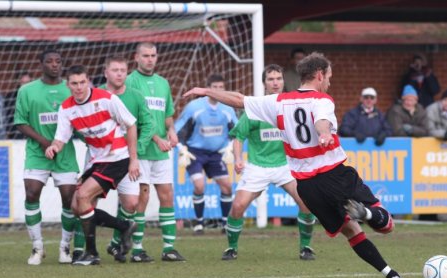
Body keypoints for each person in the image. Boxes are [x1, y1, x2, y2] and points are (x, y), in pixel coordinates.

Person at [184, 52, 403, 278]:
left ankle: (391, 275)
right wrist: (324, 133)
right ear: (319, 75)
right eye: (329, 76)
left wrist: (207, 92)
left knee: (351, 231)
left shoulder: (278, 102)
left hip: (307, 186)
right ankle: (368, 214)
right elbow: (321, 121)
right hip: (334, 174)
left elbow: (239, 99)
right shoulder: (323, 100)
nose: (329, 82)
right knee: (387, 224)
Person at [45, 64, 139, 266]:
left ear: (88, 81)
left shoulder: (106, 98)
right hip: (97, 160)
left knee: (83, 196)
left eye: (82, 82)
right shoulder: (66, 108)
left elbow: (130, 124)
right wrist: (53, 147)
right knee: (76, 206)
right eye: (74, 83)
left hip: (117, 156)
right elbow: (60, 138)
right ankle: (123, 226)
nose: (79, 87)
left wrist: (134, 159)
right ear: (67, 84)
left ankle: (92, 253)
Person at [222, 64, 316, 261]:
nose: (275, 83)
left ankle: (305, 247)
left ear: (284, 81)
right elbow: (238, 137)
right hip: (258, 166)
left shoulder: (291, 105)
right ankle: (231, 248)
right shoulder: (256, 108)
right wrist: (238, 159)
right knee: (238, 206)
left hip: (286, 165)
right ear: (264, 83)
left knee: (307, 202)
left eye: (279, 78)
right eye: (271, 79)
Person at [13, 50, 81, 265]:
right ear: (40, 64)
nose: (54, 65)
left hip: (65, 154)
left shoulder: (71, 90)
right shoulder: (27, 90)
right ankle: (37, 247)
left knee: (69, 201)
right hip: (37, 153)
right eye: (50, 61)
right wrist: (45, 142)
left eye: (58, 61)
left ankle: (64, 248)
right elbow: (20, 122)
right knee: (31, 194)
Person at [125, 42, 186, 263]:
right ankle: (137, 249)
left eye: (153, 55)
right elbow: (132, 119)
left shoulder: (163, 83)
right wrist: (157, 138)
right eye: (146, 55)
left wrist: (171, 130)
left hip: (161, 151)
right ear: (136, 57)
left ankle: (169, 248)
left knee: (167, 195)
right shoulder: (130, 82)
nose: (150, 59)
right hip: (140, 150)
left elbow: (167, 114)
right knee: (142, 197)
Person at [99, 56, 156, 263]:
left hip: (129, 157)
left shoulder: (136, 96)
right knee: (86, 202)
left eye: (123, 70)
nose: (120, 73)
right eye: (115, 70)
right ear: (106, 72)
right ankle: (82, 250)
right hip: (101, 157)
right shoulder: (96, 95)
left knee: (131, 203)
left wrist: (136, 149)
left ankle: (115, 244)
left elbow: (148, 124)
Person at [175, 74, 238, 235]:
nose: (218, 91)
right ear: (208, 89)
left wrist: (230, 146)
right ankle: (199, 223)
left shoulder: (228, 109)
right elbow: (178, 130)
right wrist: (182, 149)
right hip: (195, 153)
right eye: (214, 88)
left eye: (221, 87)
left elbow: (237, 131)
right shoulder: (194, 107)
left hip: (217, 154)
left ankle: (225, 224)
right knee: (199, 185)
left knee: (227, 186)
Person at [5, 71, 32, 139]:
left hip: (33, 134)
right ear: (19, 83)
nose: (26, 85)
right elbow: (7, 118)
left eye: (28, 83)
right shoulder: (10, 97)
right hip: (16, 135)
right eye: (24, 83)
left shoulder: (35, 96)